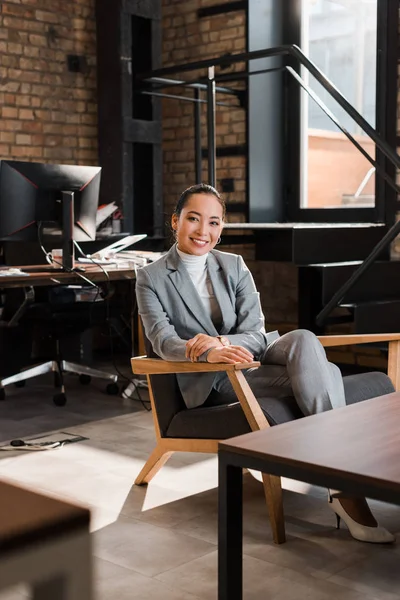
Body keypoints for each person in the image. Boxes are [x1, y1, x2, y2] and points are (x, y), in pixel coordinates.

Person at [136, 183, 394, 544]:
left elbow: (256, 332)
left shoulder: (234, 265)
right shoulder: (151, 277)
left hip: (250, 358)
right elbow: (163, 340)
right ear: (176, 221)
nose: (203, 231)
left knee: (304, 338)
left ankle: (340, 477)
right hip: (213, 378)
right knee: (327, 373)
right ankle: (345, 487)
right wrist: (207, 353)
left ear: (221, 228)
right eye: (193, 219)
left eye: (213, 222)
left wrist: (223, 342)